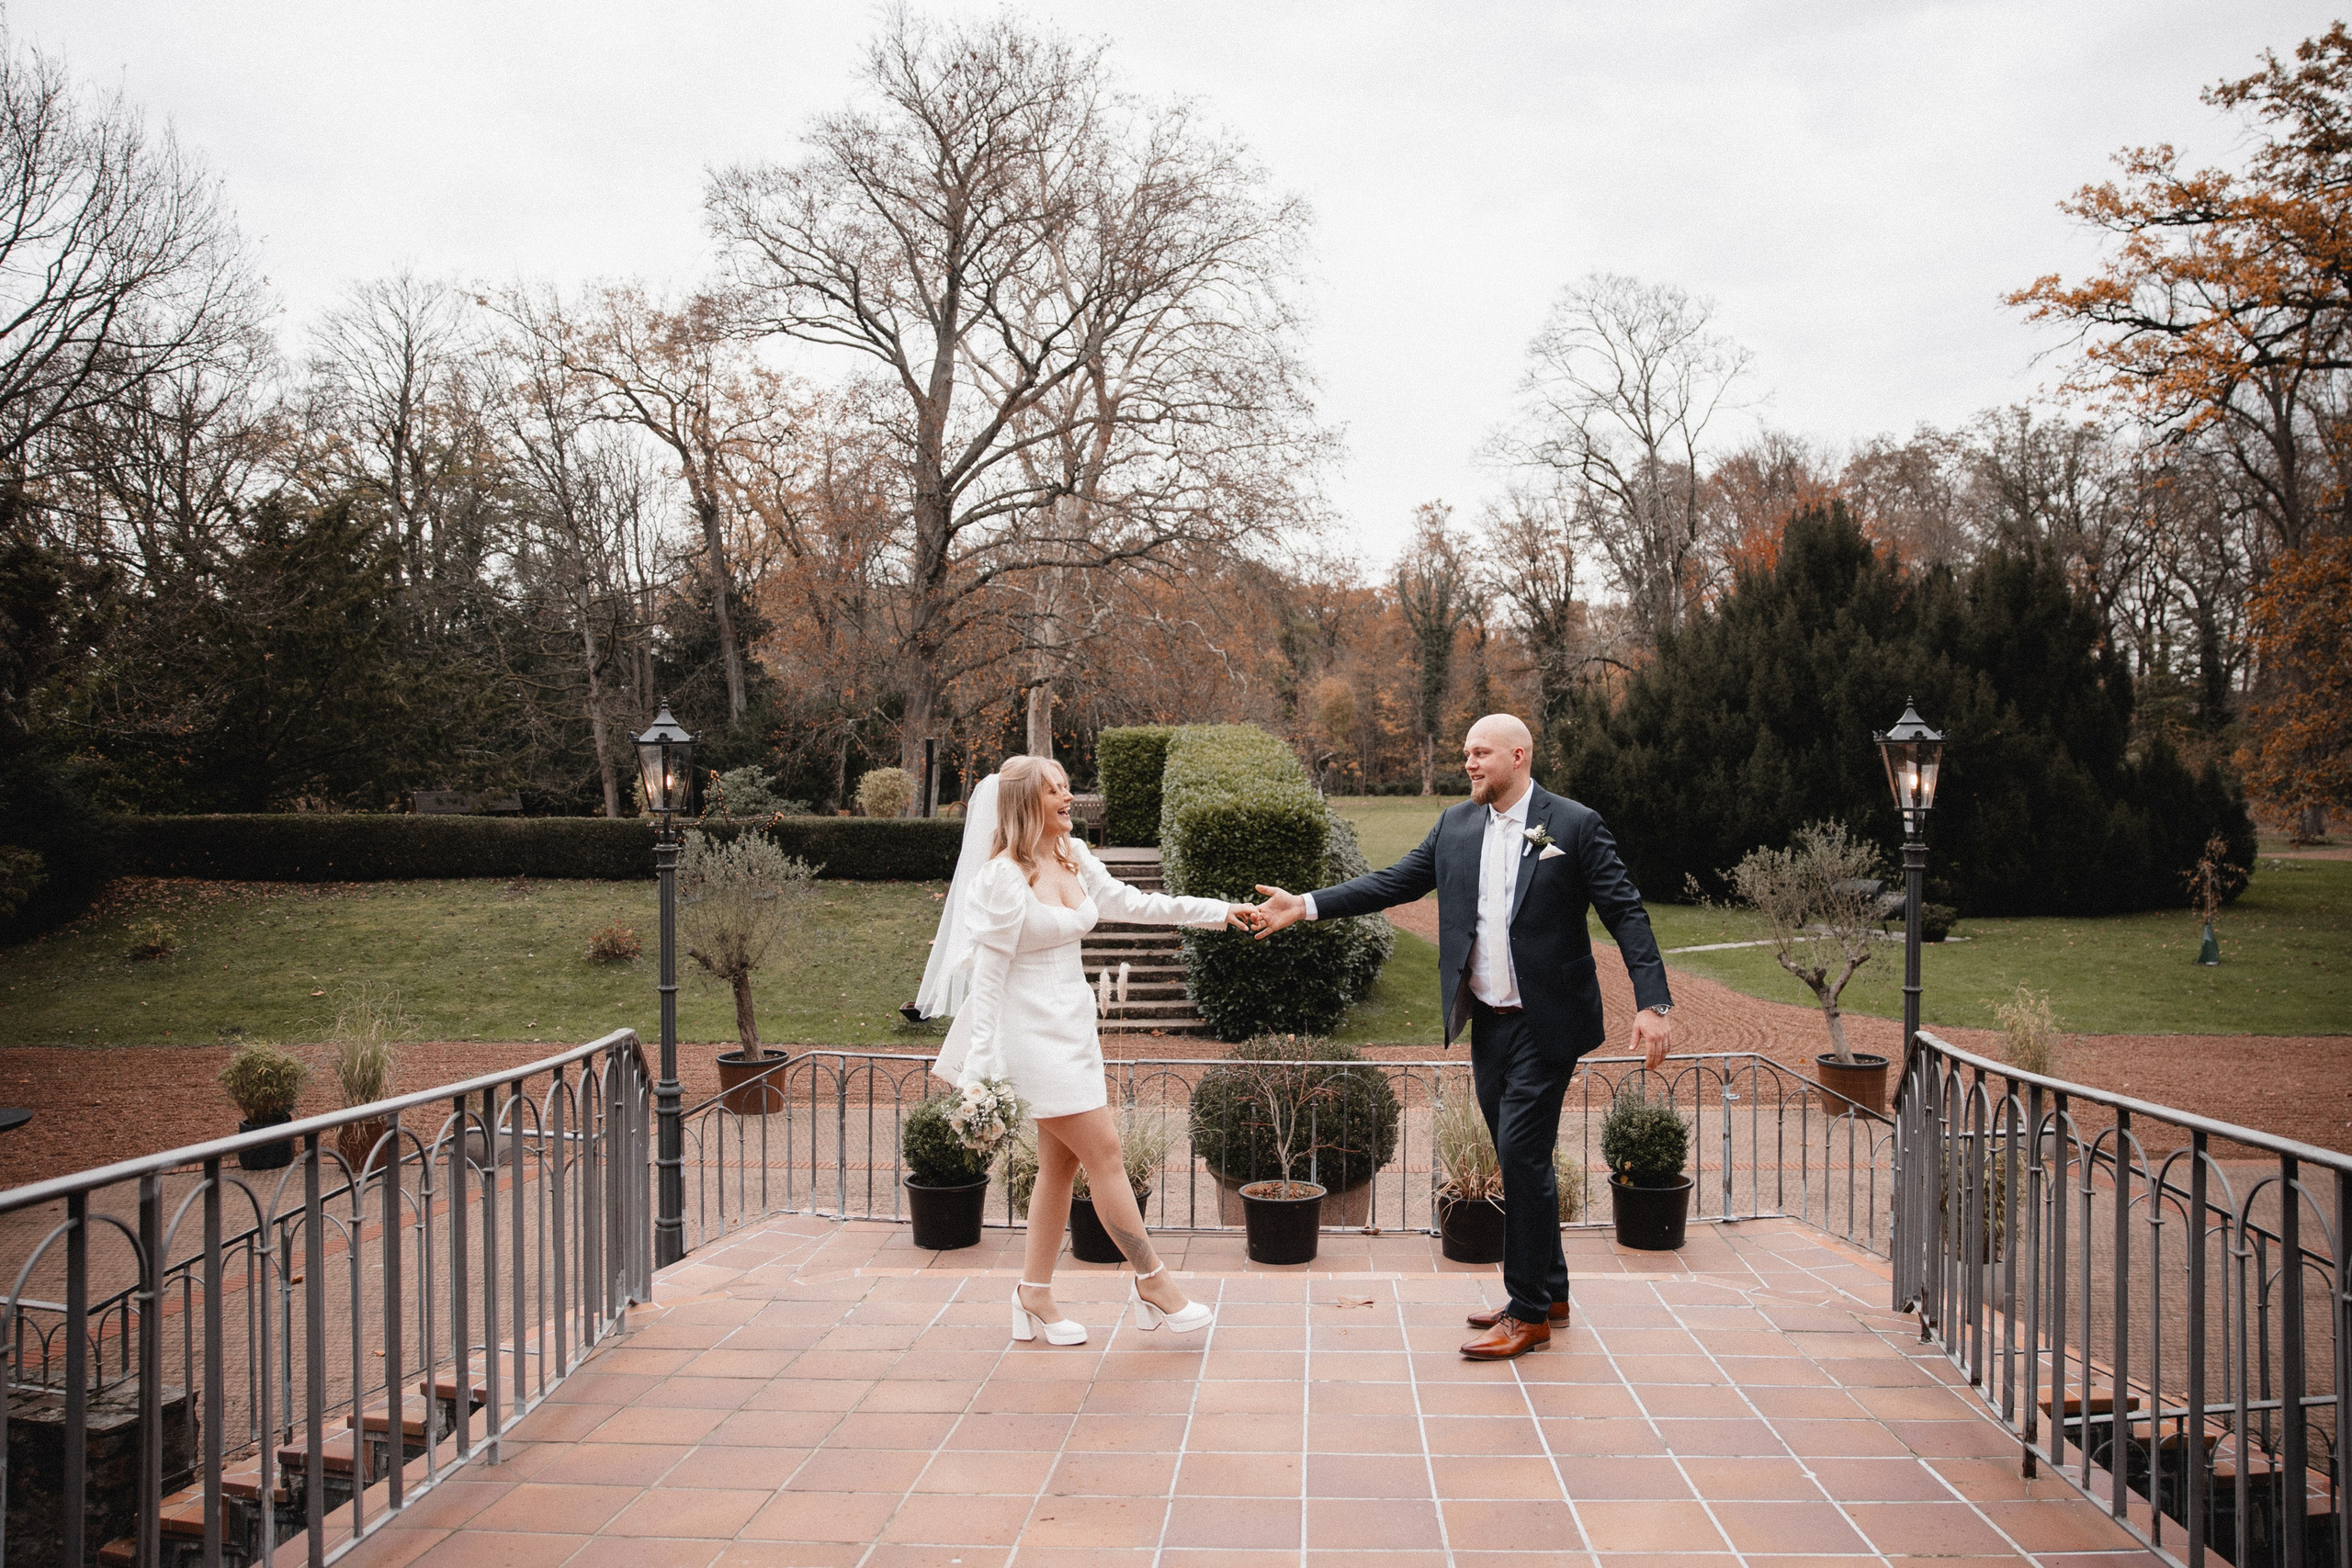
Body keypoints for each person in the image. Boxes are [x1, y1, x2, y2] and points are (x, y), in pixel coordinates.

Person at [1244, 714, 1673, 1360]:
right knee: (1522, 1159)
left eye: (1481, 752)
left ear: (1519, 755)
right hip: (1487, 1023)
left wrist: (1653, 1002)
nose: (1468, 763)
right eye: (1465, 753)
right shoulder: (1455, 824)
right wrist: (1303, 905)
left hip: (1547, 1023)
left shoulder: (1574, 825)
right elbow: (1392, 881)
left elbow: (1626, 911)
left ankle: (1527, 1312)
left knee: (1523, 1156)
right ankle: (1550, 1290)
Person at [922, 754, 1250, 1344]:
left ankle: (1033, 1298)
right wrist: (981, 1070)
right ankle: (1153, 1283)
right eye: (1055, 791)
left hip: (1071, 1027)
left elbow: (1133, 903)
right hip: (1028, 1036)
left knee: (1060, 1164)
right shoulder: (1001, 877)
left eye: (1068, 787)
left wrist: (1216, 913)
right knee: (1106, 1153)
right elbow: (989, 983)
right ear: (1026, 804)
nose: (1068, 798)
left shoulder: (1072, 854)